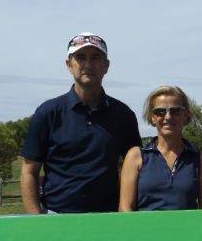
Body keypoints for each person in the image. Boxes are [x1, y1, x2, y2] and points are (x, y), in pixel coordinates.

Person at [20, 32, 141, 213]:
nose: (88, 64)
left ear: (106, 66)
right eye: (80, 57)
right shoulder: (48, 113)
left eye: (95, 57)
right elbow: (29, 171)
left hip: (109, 218)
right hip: (56, 218)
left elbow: (135, 167)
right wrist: (36, 220)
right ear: (69, 64)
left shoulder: (123, 115)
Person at [119, 86, 202, 211]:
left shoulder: (200, 160)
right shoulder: (136, 157)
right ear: (152, 117)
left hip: (187, 230)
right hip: (145, 230)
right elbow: (125, 208)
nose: (168, 117)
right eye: (160, 112)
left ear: (185, 115)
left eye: (175, 111)